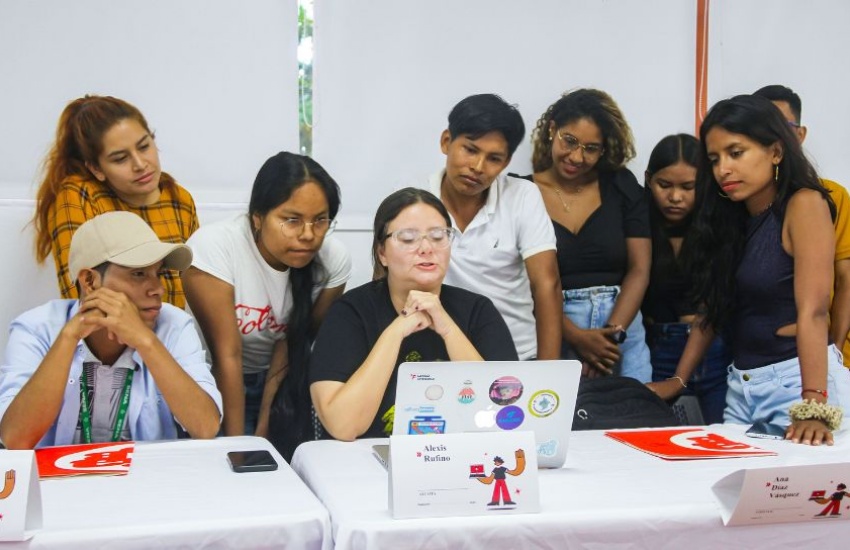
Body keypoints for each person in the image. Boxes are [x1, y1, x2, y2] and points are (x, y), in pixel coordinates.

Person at [688, 94, 850, 445]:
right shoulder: (733, 220)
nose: (723, 170)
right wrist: (678, 380)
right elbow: (712, 310)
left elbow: (814, 311)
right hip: (742, 388)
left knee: (798, 499)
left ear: (776, 152)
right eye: (714, 159)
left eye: (736, 153)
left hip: (797, 385)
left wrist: (814, 407)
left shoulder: (804, 203)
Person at [309, 188, 518, 441]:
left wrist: (449, 330)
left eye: (439, 236)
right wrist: (394, 332)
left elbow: (504, 414)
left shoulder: (477, 310)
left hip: (459, 459)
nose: (426, 248)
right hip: (368, 464)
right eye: (408, 238)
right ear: (382, 253)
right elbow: (344, 426)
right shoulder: (350, 312)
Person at [0, 212, 222, 449]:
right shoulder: (36, 328)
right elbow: (15, 440)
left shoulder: (174, 325)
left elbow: (205, 427)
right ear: (89, 281)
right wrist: (69, 337)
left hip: (147, 480)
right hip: (55, 483)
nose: (158, 289)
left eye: (158, 274)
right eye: (138, 274)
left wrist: (145, 341)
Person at [184, 152, 350, 448]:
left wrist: (264, 424)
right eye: (291, 220)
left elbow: (294, 344)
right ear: (258, 218)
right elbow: (227, 355)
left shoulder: (333, 260)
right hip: (213, 383)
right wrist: (237, 447)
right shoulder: (215, 247)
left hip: (284, 385)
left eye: (320, 220)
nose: (308, 235)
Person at [424, 94, 562, 361]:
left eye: (494, 158)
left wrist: (548, 374)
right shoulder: (414, 200)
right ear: (446, 142)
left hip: (516, 355)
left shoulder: (523, 196)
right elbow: (385, 283)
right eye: (471, 150)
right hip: (437, 359)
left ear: (506, 162)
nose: (478, 167)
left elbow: (547, 284)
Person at [526, 89, 652, 382]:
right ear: (552, 129)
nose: (577, 157)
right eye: (569, 141)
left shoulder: (620, 185)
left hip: (623, 328)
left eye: (591, 148)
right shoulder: (522, 193)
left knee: (636, 419)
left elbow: (640, 269)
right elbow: (525, 282)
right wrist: (577, 337)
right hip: (553, 325)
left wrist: (610, 338)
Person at [33, 95, 199, 309]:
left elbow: (193, 284)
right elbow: (80, 293)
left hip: (171, 336)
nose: (140, 164)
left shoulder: (180, 199)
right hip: (108, 336)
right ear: (96, 169)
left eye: (144, 146)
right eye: (120, 159)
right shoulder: (78, 194)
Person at [753, 85, 850, 369]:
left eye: (781, 126)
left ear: (800, 134)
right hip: (757, 359)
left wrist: (835, 349)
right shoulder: (744, 202)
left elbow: (845, 280)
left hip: (823, 350)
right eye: (760, 128)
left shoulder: (831, 197)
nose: (772, 137)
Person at [641, 134, 730, 424]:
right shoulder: (638, 227)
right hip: (657, 353)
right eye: (664, 185)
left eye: (688, 187)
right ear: (647, 179)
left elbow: (711, 308)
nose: (675, 197)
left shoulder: (719, 226)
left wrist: (681, 377)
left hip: (713, 352)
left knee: (720, 446)